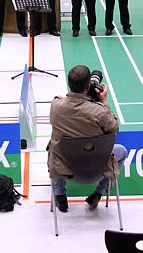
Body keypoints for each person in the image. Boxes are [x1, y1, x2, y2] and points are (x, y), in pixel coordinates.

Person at [48, 65, 126, 212]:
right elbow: (114, 128)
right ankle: (99, 193)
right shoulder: (100, 112)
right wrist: (104, 102)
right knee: (121, 151)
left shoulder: (56, 106)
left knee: (54, 146)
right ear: (88, 85)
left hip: (64, 167)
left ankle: (59, 195)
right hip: (97, 170)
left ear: (69, 83)